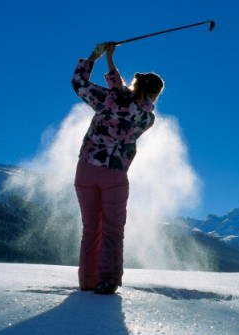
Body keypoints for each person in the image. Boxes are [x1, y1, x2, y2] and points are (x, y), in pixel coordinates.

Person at [71, 42, 164, 295]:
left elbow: (79, 83)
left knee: (91, 228)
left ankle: (87, 281)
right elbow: (123, 96)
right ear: (155, 95)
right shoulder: (147, 119)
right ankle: (107, 281)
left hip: (86, 170)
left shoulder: (110, 98)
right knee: (112, 230)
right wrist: (111, 63)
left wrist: (99, 56)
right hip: (115, 174)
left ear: (135, 84)